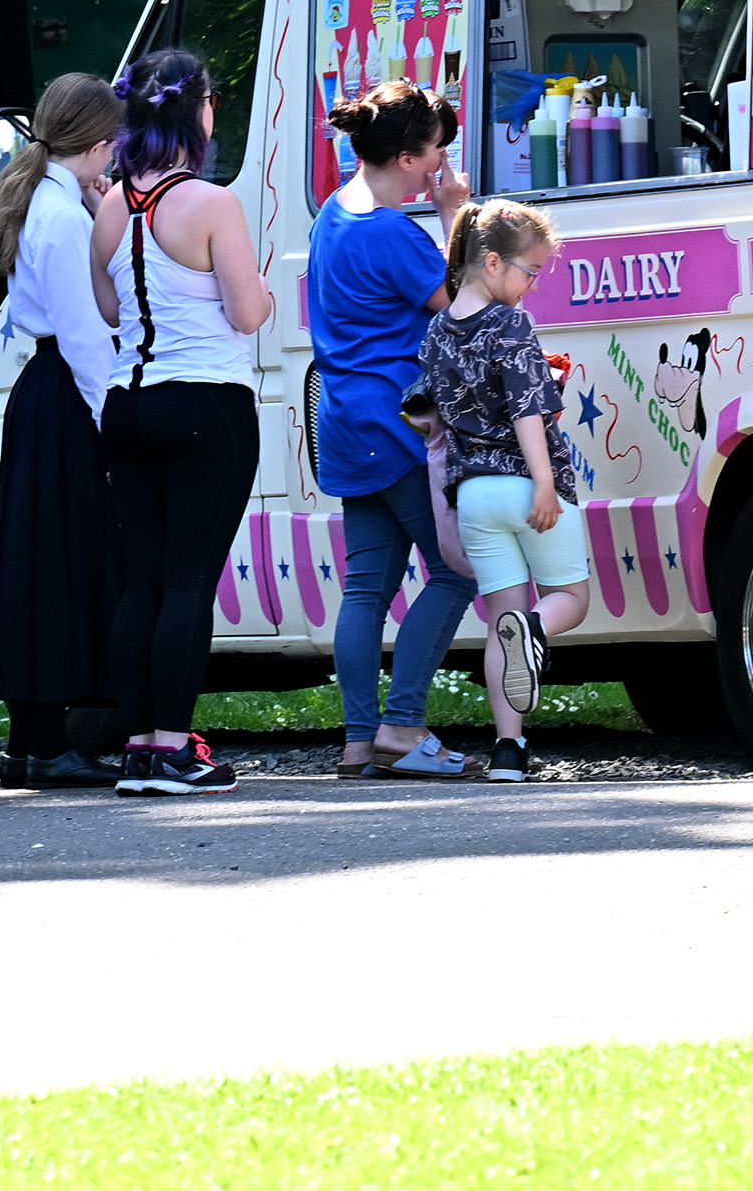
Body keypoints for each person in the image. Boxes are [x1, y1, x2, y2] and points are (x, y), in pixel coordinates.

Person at [93, 48, 272, 798]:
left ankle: (139, 746)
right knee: (189, 579)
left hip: (127, 404)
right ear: (199, 111)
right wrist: (264, 290)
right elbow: (248, 311)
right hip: (204, 402)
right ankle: (174, 747)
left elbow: (109, 309)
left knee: (142, 578)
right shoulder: (211, 202)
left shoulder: (111, 205)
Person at [309, 81, 479, 780]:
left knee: (365, 590)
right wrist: (455, 212)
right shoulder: (393, 233)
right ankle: (403, 725)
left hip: (346, 425)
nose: (442, 162)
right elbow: (464, 304)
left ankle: (359, 742)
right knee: (456, 571)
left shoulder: (332, 213)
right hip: (403, 427)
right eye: (436, 150)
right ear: (409, 159)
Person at [0, 72, 122, 790]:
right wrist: (111, 425)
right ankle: (49, 746)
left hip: (42, 391)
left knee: (38, 567)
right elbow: (85, 335)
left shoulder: (48, 202)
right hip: (68, 395)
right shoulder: (62, 217)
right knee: (65, 567)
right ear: (97, 142)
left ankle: (31, 742)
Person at [423, 200, 598, 784]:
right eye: (531, 271)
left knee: (503, 618)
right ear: (493, 262)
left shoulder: (437, 331)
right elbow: (526, 409)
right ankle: (536, 631)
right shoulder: (509, 324)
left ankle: (508, 751)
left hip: (474, 494)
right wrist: (545, 483)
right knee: (568, 598)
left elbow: (433, 413)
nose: (533, 284)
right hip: (526, 484)